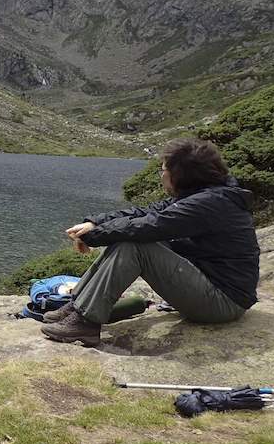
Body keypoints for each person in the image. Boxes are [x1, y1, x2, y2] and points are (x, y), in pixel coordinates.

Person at [41, 138, 260, 347]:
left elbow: (150, 226)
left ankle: (85, 323)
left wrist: (94, 235)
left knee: (135, 245)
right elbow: (145, 212)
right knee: (127, 238)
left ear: (180, 174)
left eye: (163, 170)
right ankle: (78, 306)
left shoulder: (208, 203)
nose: (161, 176)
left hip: (223, 302)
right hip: (211, 288)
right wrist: (95, 223)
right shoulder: (203, 196)